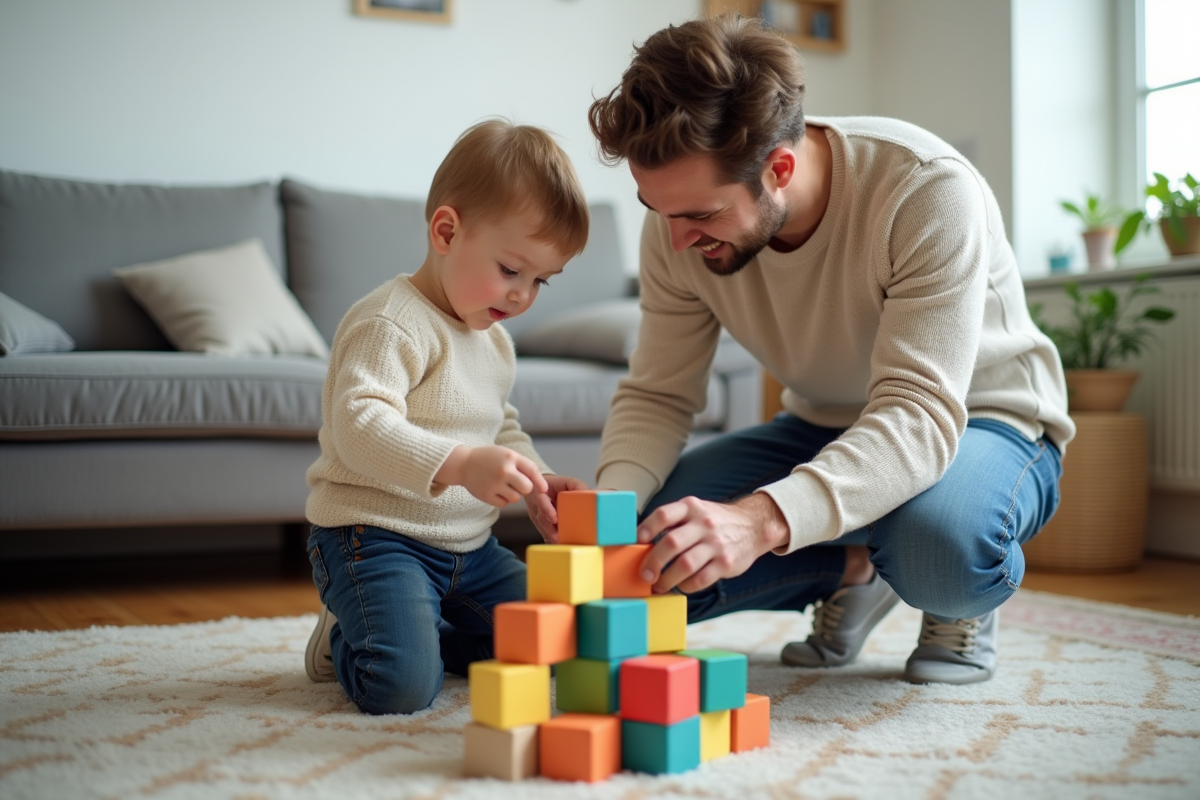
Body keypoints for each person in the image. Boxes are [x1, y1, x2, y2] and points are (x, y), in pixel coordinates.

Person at [535, 14, 1074, 685]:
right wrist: (606, 519)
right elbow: (658, 392)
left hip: (978, 420)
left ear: (779, 168)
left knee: (938, 548)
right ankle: (854, 568)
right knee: (654, 550)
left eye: (700, 215)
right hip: (822, 425)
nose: (676, 241)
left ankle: (946, 595)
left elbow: (918, 419)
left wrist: (759, 522)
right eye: (657, 208)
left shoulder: (926, 190)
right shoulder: (674, 229)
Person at [303, 119, 591, 714]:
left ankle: (421, 634)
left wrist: (536, 482)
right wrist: (459, 464)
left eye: (540, 280)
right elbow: (359, 425)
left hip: (470, 550)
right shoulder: (389, 322)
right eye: (512, 270)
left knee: (559, 640)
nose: (522, 296)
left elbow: (498, 424)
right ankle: (342, 637)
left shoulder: (494, 339)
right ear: (446, 231)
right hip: (374, 539)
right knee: (401, 687)